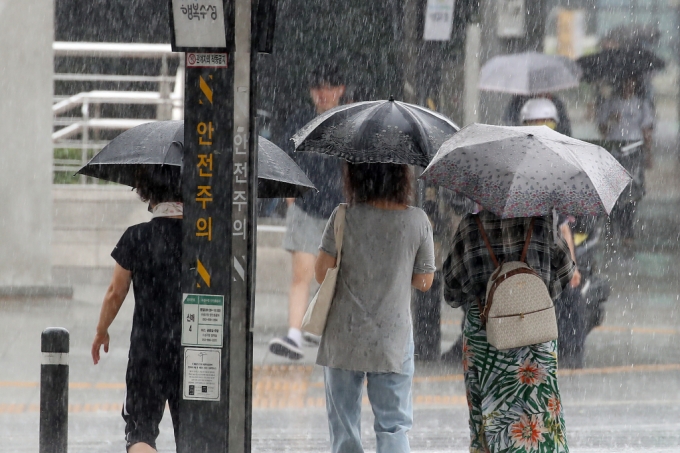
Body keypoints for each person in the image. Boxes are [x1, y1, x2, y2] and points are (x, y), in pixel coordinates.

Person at [315, 162, 435, 453]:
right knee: (393, 427)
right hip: (391, 337)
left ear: (355, 175)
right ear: (401, 178)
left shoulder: (343, 216)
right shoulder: (417, 220)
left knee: (344, 428)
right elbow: (424, 281)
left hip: (344, 335)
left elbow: (321, 273)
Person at [443, 210, 575, 453]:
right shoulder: (543, 220)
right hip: (537, 332)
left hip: (486, 336)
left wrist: (487, 295)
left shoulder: (471, 227)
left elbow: (451, 291)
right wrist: (533, 298)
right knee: (542, 414)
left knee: (490, 416)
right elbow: (566, 271)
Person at [91, 169, 183, 453]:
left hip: (148, 348)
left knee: (140, 431)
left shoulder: (137, 237)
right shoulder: (207, 240)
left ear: (147, 192)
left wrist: (101, 331)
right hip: (194, 349)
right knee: (196, 433)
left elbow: (115, 292)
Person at [267, 64, 347, 359]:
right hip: (305, 207)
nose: (322, 94)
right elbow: (285, 160)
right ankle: (294, 336)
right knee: (301, 273)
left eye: (328, 87)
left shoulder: (348, 123)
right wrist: (290, 199)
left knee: (332, 275)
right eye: (317, 88)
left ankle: (315, 326)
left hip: (340, 212)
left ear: (340, 90)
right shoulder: (301, 122)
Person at [597, 75, 654, 244]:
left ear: (636, 85)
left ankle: (627, 229)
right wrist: (610, 120)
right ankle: (614, 227)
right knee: (614, 192)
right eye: (626, 83)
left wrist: (648, 154)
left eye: (632, 83)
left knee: (633, 192)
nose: (629, 87)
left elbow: (646, 131)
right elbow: (602, 130)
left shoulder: (641, 104)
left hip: (635, 150)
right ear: (620, 84)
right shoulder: (610, 103)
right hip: (615, 151)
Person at [503, 93, 572, 136]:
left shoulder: (556, 102)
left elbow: (565, 129)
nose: (539, 123)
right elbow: (510, 124)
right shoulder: (517, 102)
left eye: (545, 120)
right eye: (533, 121)